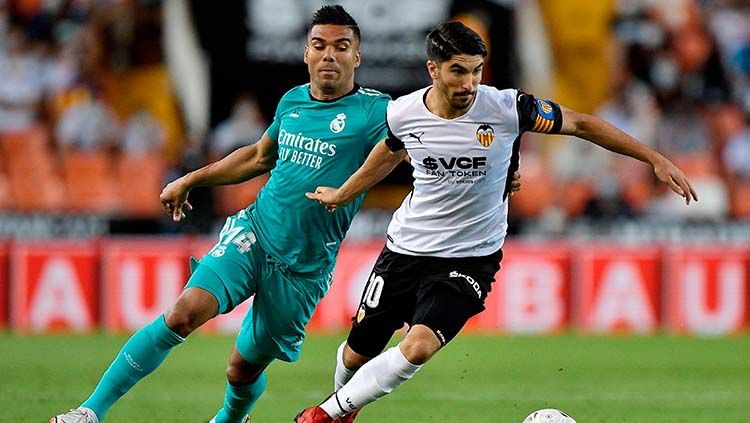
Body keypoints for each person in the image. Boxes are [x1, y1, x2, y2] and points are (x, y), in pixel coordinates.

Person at [297, 21, 697, 423]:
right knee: (356, 354)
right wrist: (344, 192)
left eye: (476, 71)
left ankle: (323, 415)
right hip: (405, 248)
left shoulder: (508, 108)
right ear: (433, 69)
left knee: (418, 346)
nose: (469, 83)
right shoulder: (403, 112)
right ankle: (342, 411)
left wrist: (653, 158)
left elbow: (581, 124)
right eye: (458, 71)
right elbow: (390, 151)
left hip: (470, 258)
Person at [50, 5, 390, 423]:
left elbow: (401, 149)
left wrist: (349, 191)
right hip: (255, 233)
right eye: (319, 45)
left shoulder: (376, 111)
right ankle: (89, 412)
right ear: (306, 53)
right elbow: (259, 157)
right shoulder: (292, 101)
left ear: (357, 56)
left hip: (303, 269)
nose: (329, 55)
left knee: (241, 370)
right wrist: (191, 179)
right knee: (183, 312)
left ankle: (231, 418)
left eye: (341, 47)